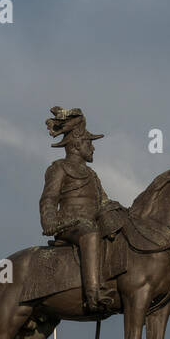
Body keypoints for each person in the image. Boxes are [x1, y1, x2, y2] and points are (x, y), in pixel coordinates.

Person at [38, 106, 126, 314]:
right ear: (77, 144)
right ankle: (93, 293)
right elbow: (49, 199)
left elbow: (103, 202)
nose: (93, 148)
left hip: (90, 225)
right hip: (68, 226)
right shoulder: (58, 168)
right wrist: (49, 221)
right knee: (91, 232)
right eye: (89, 143)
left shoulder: (92, 175)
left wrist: (123, 214)